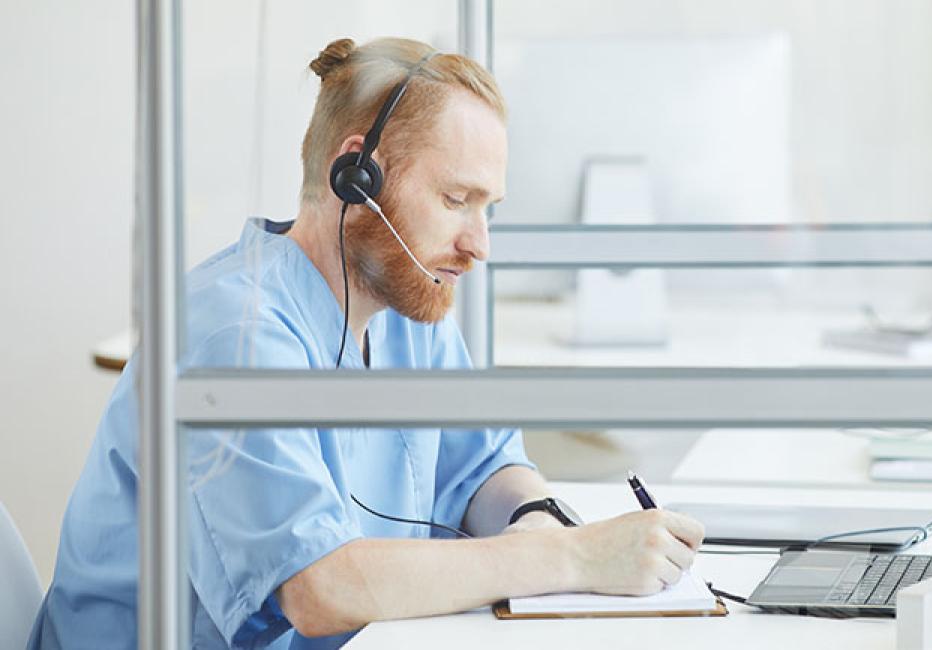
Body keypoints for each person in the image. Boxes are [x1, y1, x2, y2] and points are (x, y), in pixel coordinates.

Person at [28, 37, 704, 649]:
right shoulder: (233, 337)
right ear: (357, 176)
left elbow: (484, 465)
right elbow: (319, 590)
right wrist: (574, 558)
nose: (479, 245)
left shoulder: (407, 303)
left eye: (487, 208)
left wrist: (535, 520)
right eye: (455, 198)